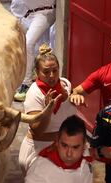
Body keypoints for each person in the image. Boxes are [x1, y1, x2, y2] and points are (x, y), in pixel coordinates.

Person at [18, 43, 76, 174]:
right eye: (46, 72)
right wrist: (48, 110)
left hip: (61, 150)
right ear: (37, 72)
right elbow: (38, 131)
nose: (51, 75)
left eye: (55, 70)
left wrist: (76, 96)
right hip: (38, 152)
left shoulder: (66, 84)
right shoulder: (34, 94)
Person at [12, 0, 56, 102]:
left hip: (45, 12)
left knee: (28, 44)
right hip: (27, 14)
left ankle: (26, 84)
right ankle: (31, 76)